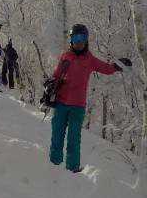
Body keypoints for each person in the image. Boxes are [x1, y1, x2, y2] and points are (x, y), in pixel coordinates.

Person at [49, 23, 123, 173]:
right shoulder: (65, 56)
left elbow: (106, 68)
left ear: (87, 40)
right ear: (71, 40)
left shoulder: (89, 59)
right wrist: (49, 88)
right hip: (61, 103)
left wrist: (117, 65)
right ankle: (53, 166)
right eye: (75, 38)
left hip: (77, 106)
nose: (79, 41)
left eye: (82, 38)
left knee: (73, 139)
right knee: (57, 135)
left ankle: (72, 168)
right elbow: (55, 76)